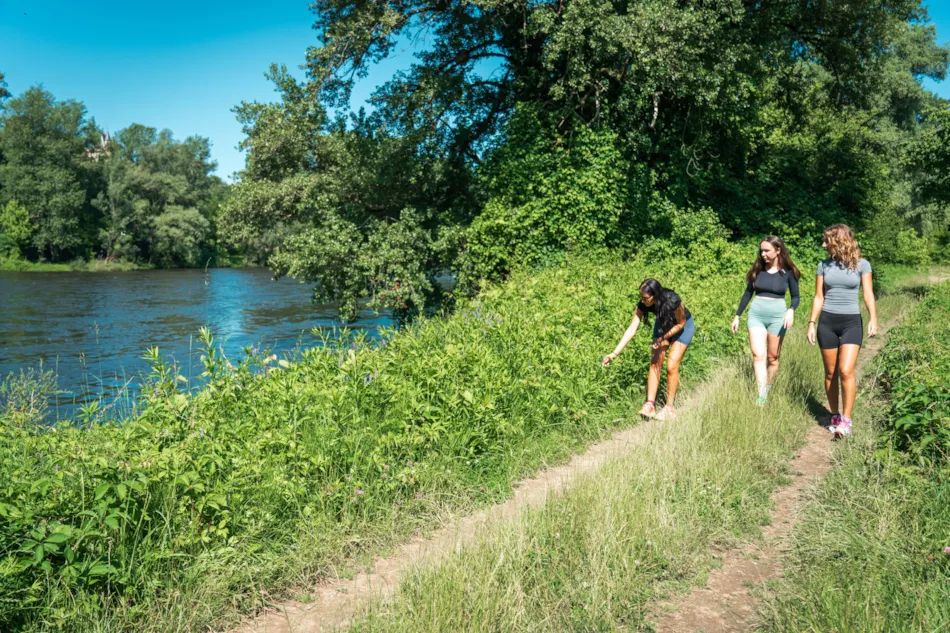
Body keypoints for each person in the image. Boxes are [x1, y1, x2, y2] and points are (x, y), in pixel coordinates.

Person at [806, 224, 878, 437]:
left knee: (846, 370)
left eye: (826, 240)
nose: (823, 244)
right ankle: (834, 415)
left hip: (851, 323)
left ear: (838, 241)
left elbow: (868, 293)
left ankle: (846, 421)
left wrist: (873, 317)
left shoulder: (862, 265)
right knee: (830, 373)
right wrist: (811, 322)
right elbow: (819, 296)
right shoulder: (823, 266)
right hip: (827, 322)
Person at [602, 278, 695, 420]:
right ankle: (650, 405)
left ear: (655, 296)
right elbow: (632, 329)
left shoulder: (672, 300)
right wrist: (614, 353)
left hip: (682, 327)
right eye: (641, 297)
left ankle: (669, 408)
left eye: (645, 298)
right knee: (655, 362)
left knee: (671, 366)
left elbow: (681, 323)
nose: (642, 301)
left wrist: (663, 338)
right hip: (664, 323)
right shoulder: (643, 304)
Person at [731, 236, 801, 405]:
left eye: (767, 250)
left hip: (778, 317)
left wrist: (791, 310)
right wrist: (737, 315)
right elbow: (748, 293)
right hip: (756, 315)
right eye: (761, 250)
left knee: (773, 358)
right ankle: (761, 395)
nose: (763, 254)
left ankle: (767, 388)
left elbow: (796, 297)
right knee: (757, 355)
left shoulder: (788, 272)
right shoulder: (757, 270)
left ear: (778, 251)